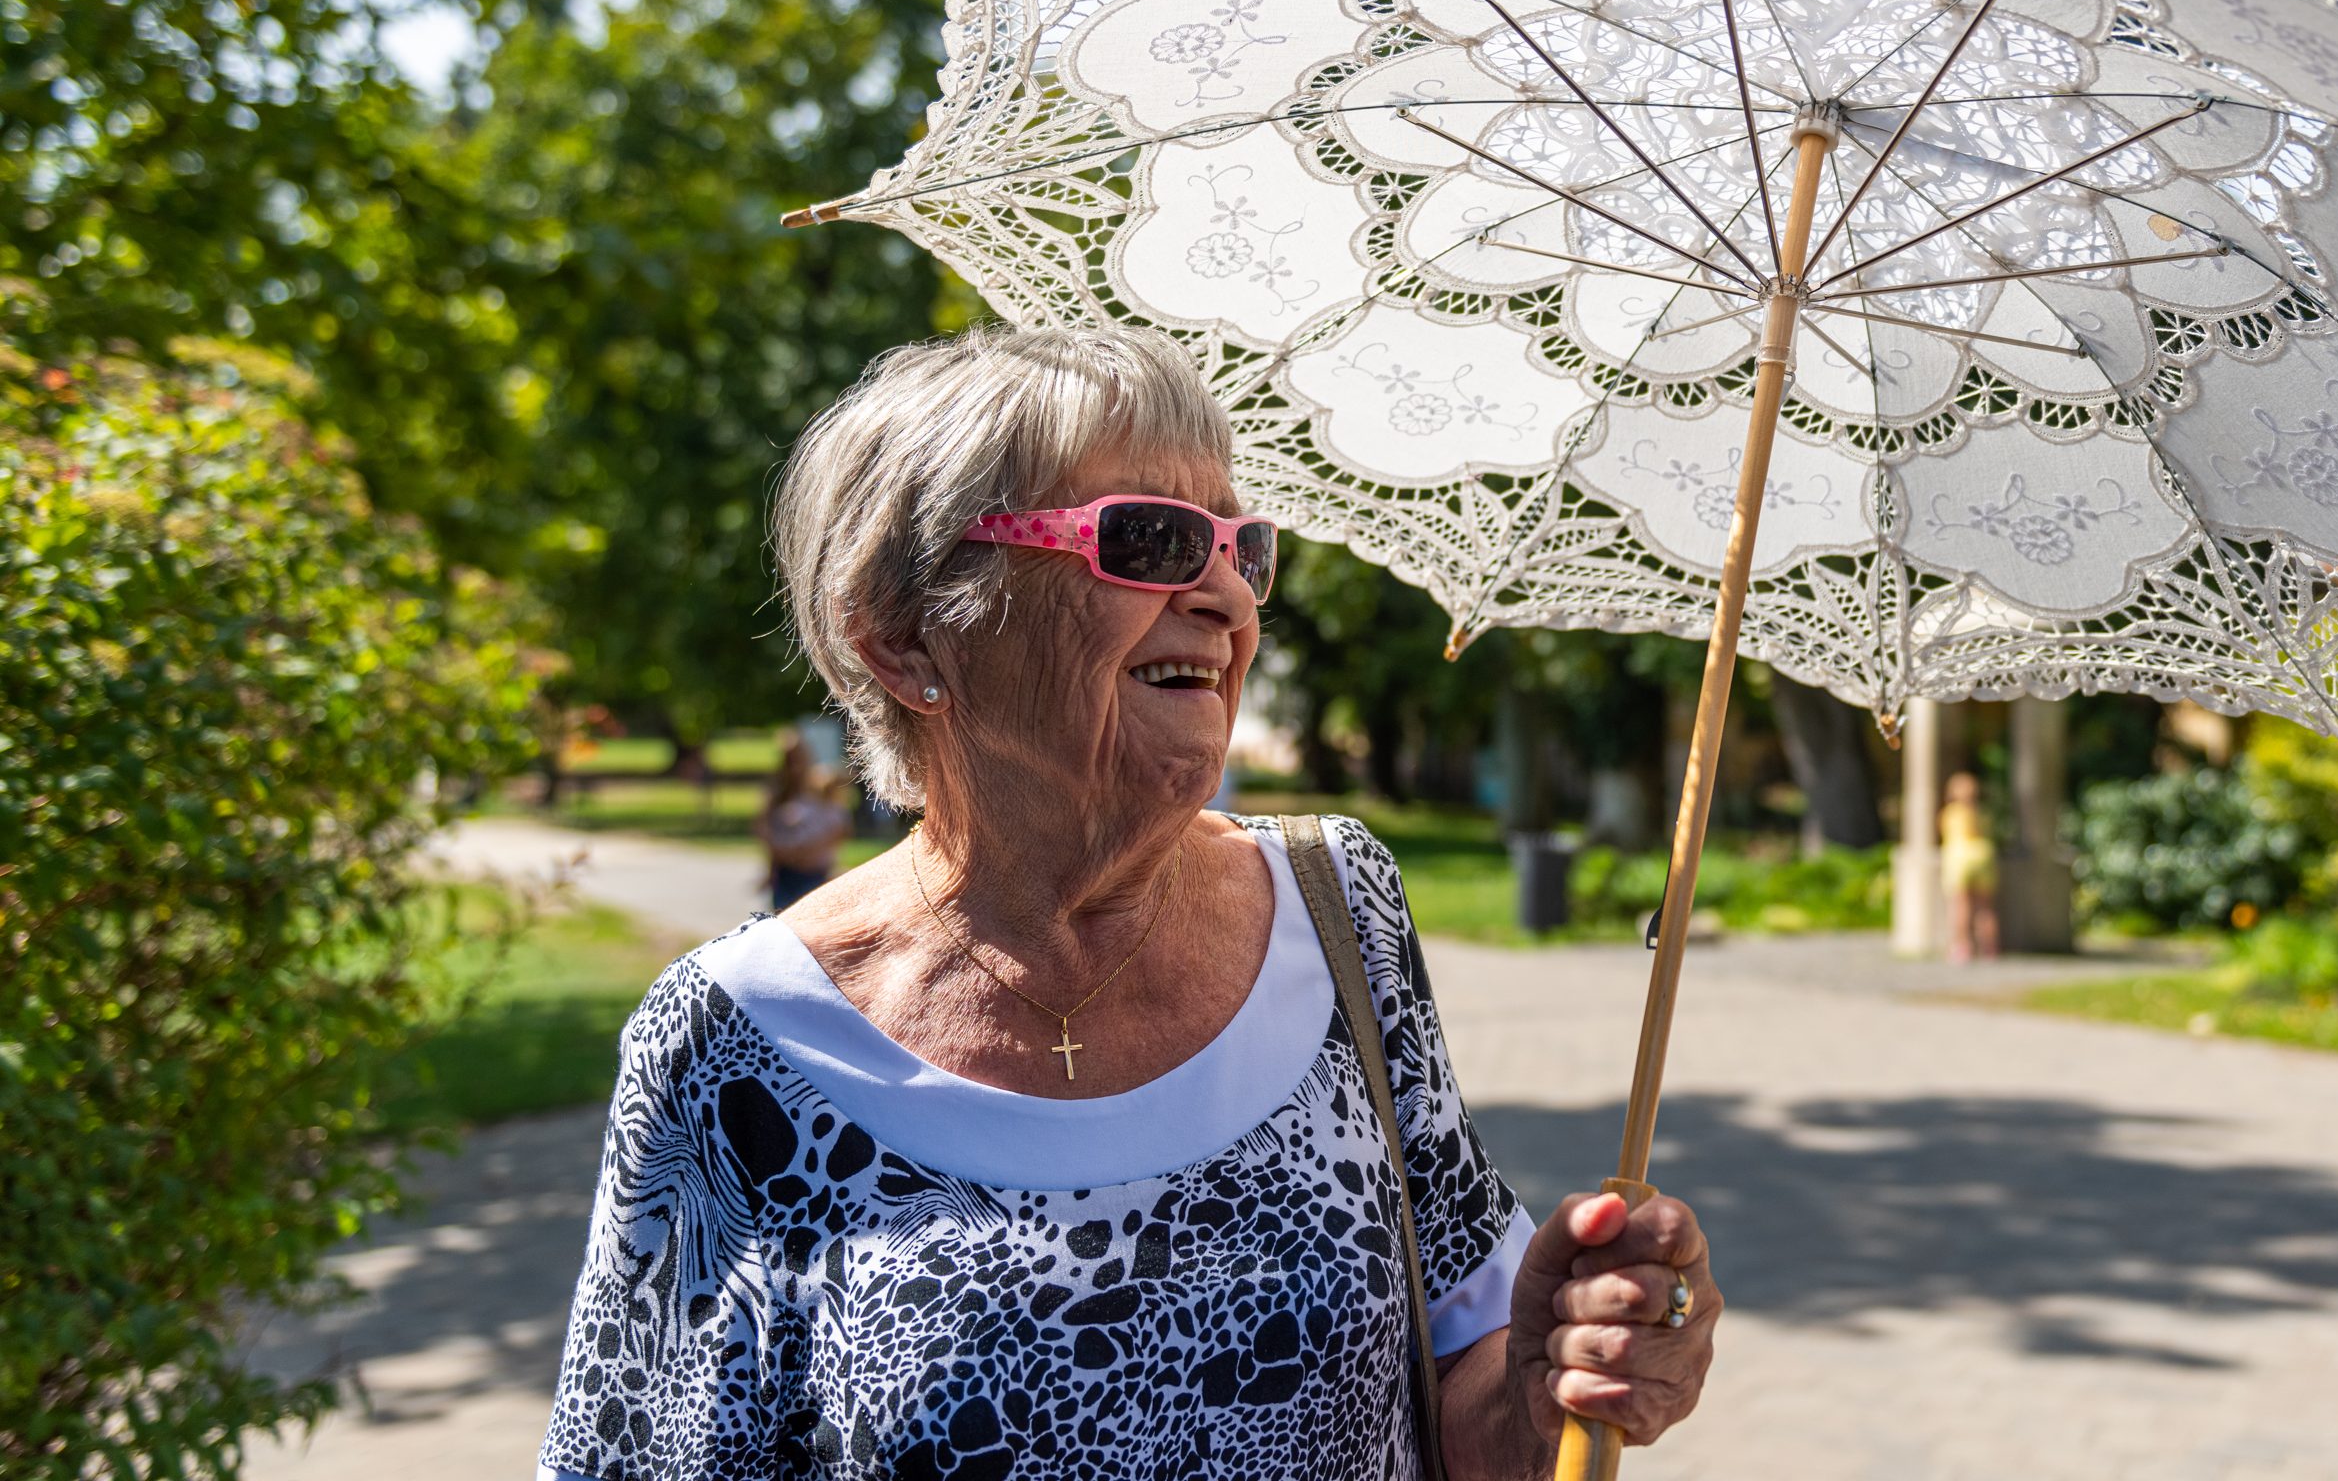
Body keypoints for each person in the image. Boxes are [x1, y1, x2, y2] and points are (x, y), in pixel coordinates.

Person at [538, 328, 1719, 1481]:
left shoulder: (1339, 906)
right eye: (1147, 540)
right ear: (902, 637)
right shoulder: (739, 1044)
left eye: (1239, 546)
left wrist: (1555, 1377)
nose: (1225, 597)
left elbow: (1459, 1405)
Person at [754, 730, 850, 912]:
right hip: (786, 873)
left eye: (799, 758)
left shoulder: (819, 787)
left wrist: (813, 849)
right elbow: (763, 829)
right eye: (790, 760)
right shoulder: (777, 794)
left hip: (816, 873)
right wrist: (781, 855)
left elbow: (839, 825)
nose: (795, 766)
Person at [1939, 770, 1998, 962]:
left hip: (1960, 856)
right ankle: (1989, 948)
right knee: (1985, 907)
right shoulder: (1983, 812)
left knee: (1960, 906)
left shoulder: (1952, 813)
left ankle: (1961, 947)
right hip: (1983, 854)